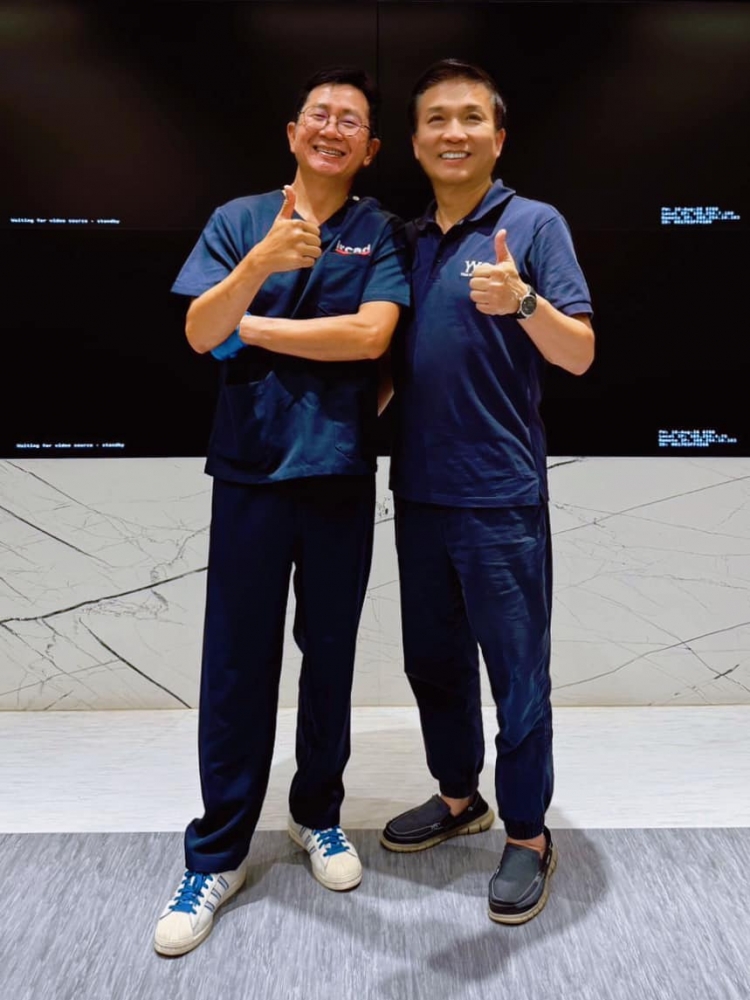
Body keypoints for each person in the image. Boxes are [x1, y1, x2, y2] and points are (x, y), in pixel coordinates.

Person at [154, 66, 409, 957]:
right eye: (320, 115)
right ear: (294, 132)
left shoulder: (379, 230)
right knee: (237, 665)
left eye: (351, 121)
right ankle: (217, 853)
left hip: (338, 472)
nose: (333, 128)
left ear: (370, 149)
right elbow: (198, 331)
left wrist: (250, 327)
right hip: (250, 473)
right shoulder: (239, 220)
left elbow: (371, 336)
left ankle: (317, 815)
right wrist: (260, 265)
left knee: (328, 658)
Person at [380, 59, 595, 925]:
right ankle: (460, 796)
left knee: (517, 674)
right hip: (419, 491)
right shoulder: (403, 239)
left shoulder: (533, 224)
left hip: (501, 496)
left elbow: (580, 353)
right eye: (437, 118)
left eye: (471, 117)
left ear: (497, 138)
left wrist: (525, 302)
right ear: (415, 142)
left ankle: (530, 834)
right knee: (432, 664)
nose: (454, 132)